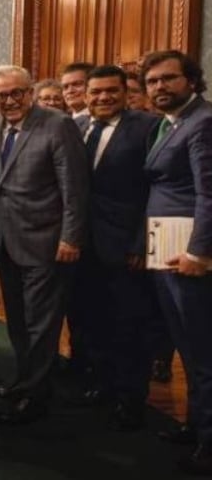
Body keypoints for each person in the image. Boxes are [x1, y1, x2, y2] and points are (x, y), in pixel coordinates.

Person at [0, 64, 88, 425]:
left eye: (17, 93)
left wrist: (70, 237)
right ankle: (24, 380)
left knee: (41, 325)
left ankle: (37, 397)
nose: (10, 101)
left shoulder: (56, 124)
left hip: (46, 243)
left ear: (30, 92)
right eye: (1, 96)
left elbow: (74, 188)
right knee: (17, 321)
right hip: (6, 243)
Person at [68, 65, 159, 431]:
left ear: (125, 92)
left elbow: (156, 189)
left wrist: (142, 241)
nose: (103, 98)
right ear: (85, 96)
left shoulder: (146, 128)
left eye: (111, 91)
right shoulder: (77, 128)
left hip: (126, 245)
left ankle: (130, 397)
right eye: (96, 92)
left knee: (129, 324)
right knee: (93, 317)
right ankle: (102, 384)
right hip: (84, 243)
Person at [141, 50, 212, 474]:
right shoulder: (174, 123)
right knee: (188, 346)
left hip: (188, 254)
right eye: (152, 82)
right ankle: (195, 424)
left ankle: (208, 439)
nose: (159, 88)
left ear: (191, 80)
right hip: (167, 248)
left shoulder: (203, 123)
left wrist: (199, 252)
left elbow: (209, 194)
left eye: (168, 79)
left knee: (202, 351)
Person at [61, 62, 94, 128]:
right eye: (65, 87)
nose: (70, 91)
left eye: (77, 84)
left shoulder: (100, 121)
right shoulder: (60, 120)